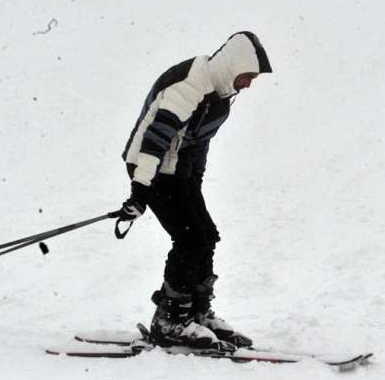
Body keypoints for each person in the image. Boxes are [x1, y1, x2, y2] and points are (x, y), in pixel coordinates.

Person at [116, 32, 272, 351]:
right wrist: (140, 191)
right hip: (150, 165)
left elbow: (199, 143)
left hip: (178, 171)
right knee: (189, 238)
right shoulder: (191, 84)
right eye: (247, 75)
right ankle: (170, 320)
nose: (249, 83)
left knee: (206, 235)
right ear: (233, 66)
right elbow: (156, 138)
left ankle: (196, 313)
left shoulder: (221, 92)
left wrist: (195, 181)